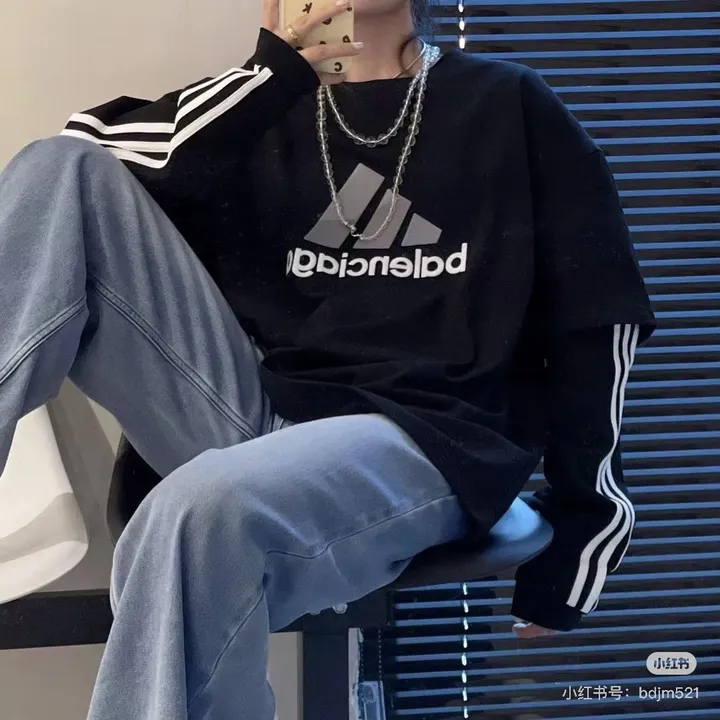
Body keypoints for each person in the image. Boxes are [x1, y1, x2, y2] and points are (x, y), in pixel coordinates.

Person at [0, 0, 656, 716]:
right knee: (58, 168)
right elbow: (67, 179)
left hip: (427, 437)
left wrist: (585, 537)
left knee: (194, 511)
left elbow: (595, 327)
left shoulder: (508, 105)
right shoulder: (252, 103)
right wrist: (268, 77)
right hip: (253, 415)